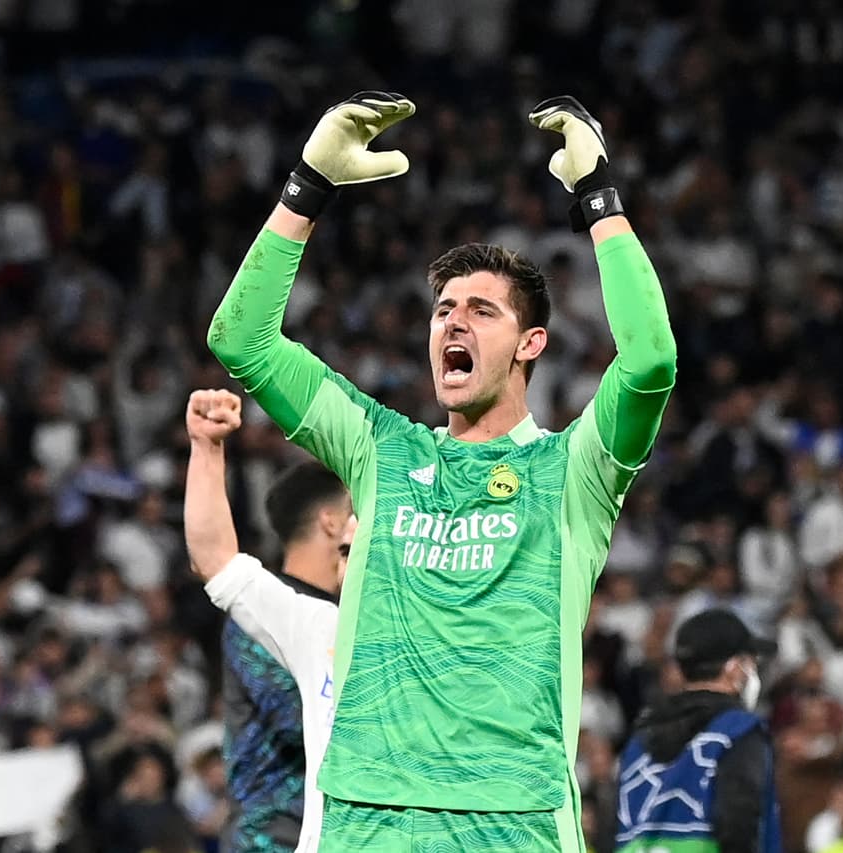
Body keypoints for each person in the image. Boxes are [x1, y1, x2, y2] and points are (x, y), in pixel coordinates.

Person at [207, 91, 676, 850]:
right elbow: (242, 341)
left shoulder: (574, 469)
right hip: (367, 814)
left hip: (512, 816)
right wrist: (306, 187)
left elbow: (651, 357)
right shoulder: (381, 449)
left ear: (532, 344)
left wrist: (599, 199)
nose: (453, 321)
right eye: (443, 310)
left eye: (482, 312)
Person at [183, 388, 356, 852]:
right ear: (333, 522)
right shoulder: (266, 619)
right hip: (270, 836)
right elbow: (308, 719)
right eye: (358, 512)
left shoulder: (349, 615)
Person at [615, 608, 781, 852]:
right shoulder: (738, 732)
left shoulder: (639, 737)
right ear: (733, 668)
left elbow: (614, 827)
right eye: (750, 662)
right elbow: (740, 827)